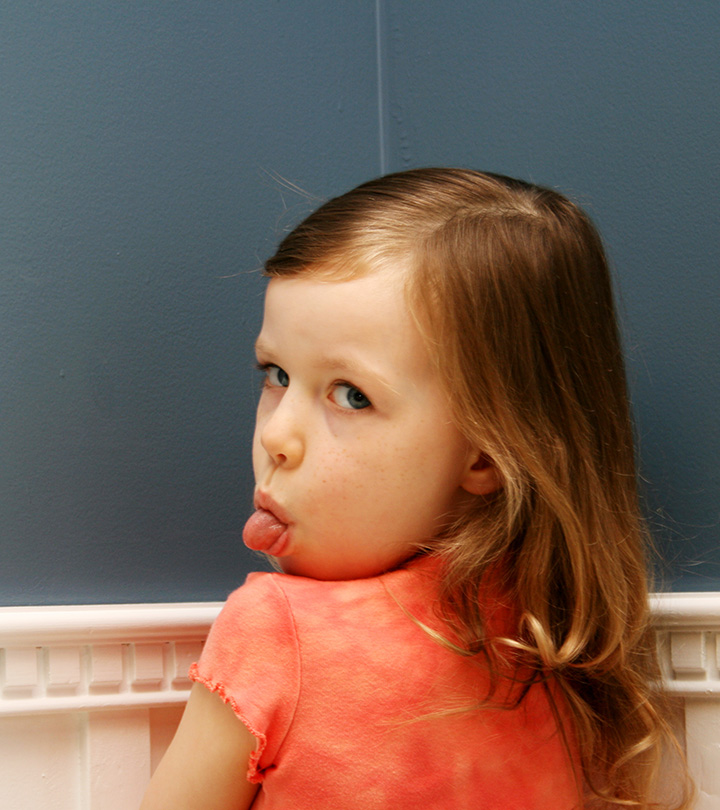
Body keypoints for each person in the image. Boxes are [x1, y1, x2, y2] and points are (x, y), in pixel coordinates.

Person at [140, 168, 693, 809]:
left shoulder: (274, 633)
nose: (278, 437)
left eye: (351, 396)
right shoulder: (559, 645)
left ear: (485, 452)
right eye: (276, 374)